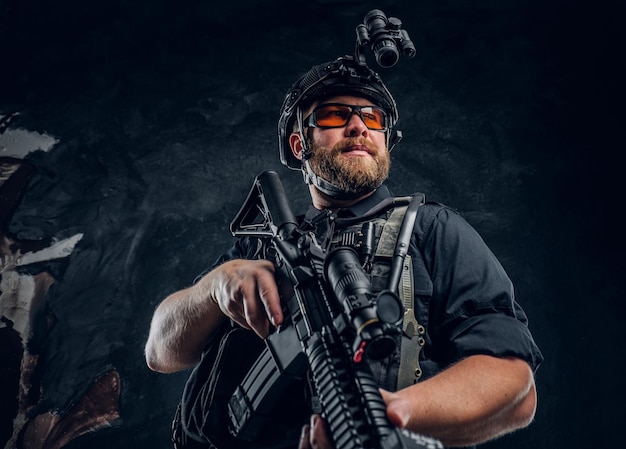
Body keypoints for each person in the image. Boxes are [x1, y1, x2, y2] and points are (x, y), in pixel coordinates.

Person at [145, 55, 543, 449]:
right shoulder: (259, 246)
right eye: (335, 115)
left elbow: (513, 383)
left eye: (373, 119)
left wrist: (392, 415)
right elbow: (161, 351)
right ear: (300, 143)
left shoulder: (430, 230)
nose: (358, 126)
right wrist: (216, 285)